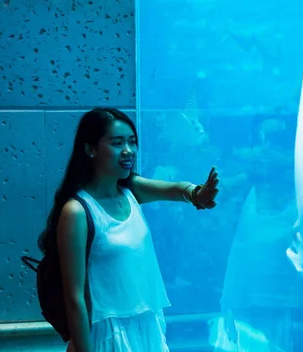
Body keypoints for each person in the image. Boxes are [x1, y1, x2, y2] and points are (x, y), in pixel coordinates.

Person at [36, 107, 220, 352]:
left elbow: (174, 188)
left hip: (146, 327)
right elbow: (74, 298)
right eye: (117, 142)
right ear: (90, 149)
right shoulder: (77, 211)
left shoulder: (130, 191)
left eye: (132, 142)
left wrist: (197, 194)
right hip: (106, 334)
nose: (128, 151)